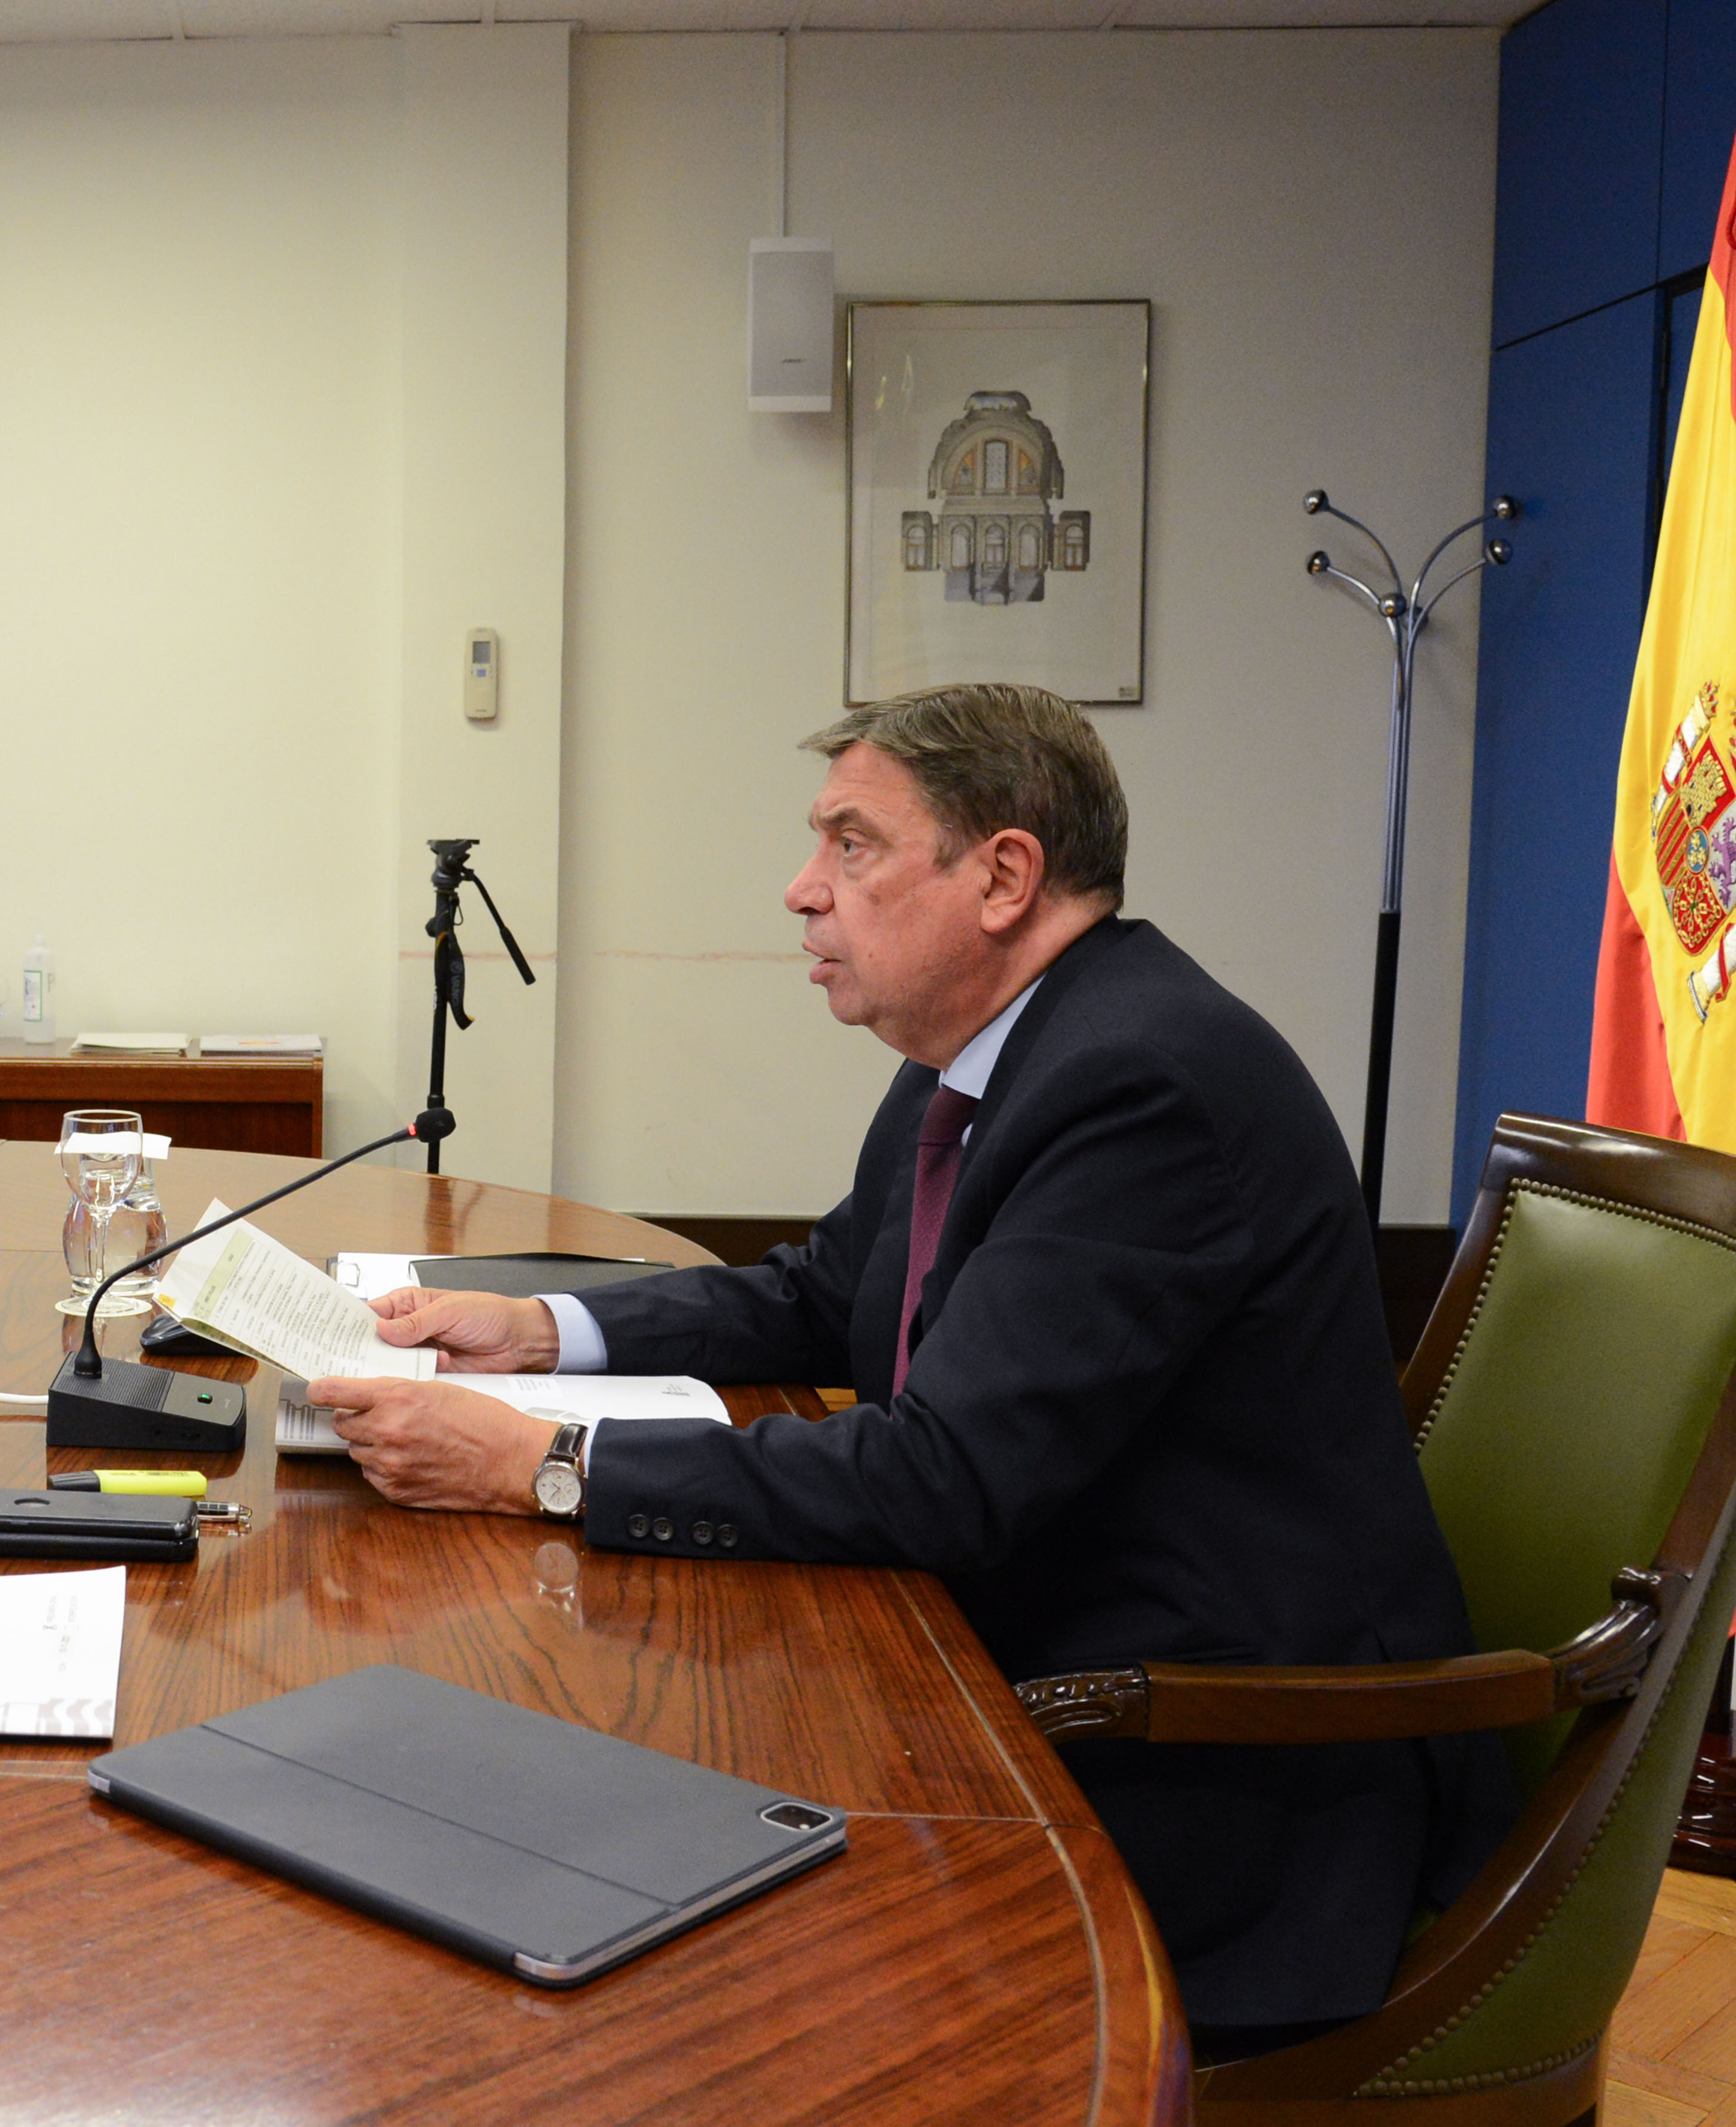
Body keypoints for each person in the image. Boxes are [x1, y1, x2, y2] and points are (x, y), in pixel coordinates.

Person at [309, 682, 1513, 2058]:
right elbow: (824, 1295)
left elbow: (945, 1475)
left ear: (1002, 875)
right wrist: (536, 1330)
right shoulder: (1002, 1046)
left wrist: (545, 1461)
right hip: (1022, 1659)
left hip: (1205, 1774)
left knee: (645, 1927)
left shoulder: (1141, 1086)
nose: (801, 888)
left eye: (851, 843)